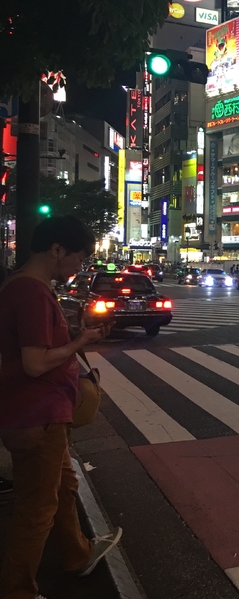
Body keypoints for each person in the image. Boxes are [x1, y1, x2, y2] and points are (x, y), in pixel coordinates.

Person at [0, 216, 121, 599]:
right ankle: (17, 590)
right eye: (79, 258)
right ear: (57, 250)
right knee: (36, 509)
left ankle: (77, 553)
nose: (79, 267)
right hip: (38, 415)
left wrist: (70, 335)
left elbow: (27, 348)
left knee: (63, 486)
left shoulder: (19, 286)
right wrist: (78, 341)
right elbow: (36, 363)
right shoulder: (33, 292)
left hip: (35, 414)